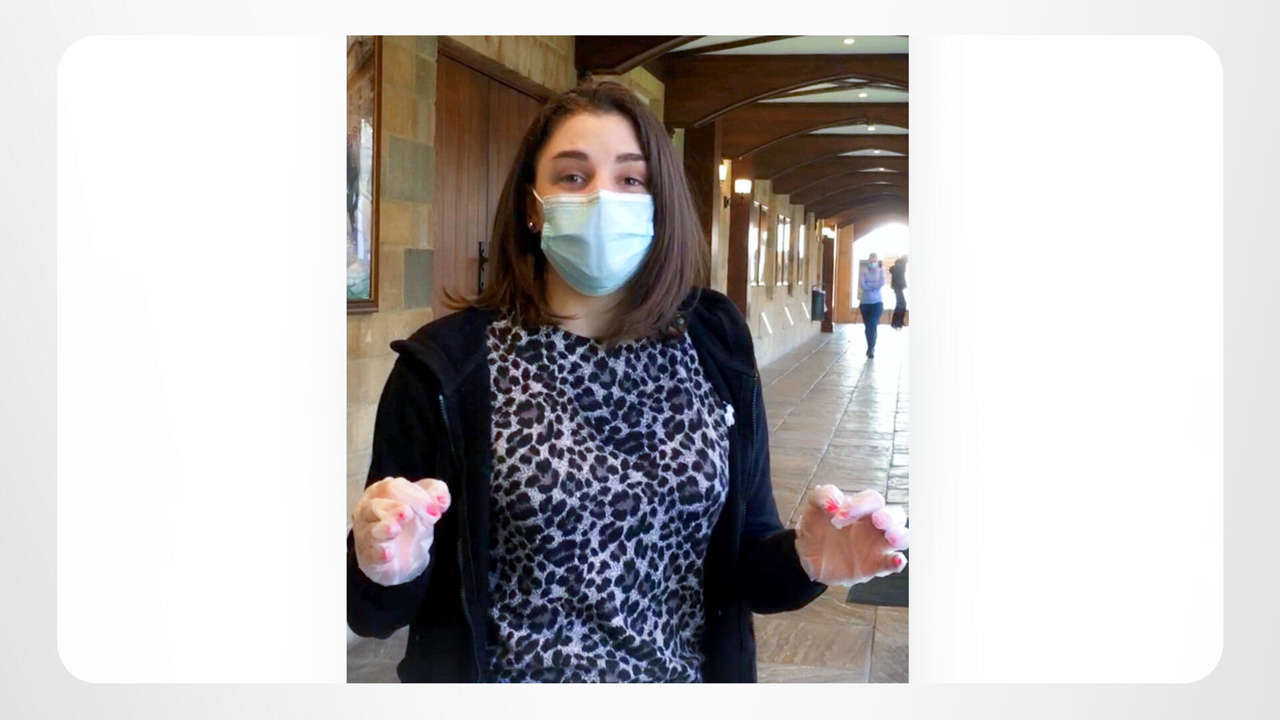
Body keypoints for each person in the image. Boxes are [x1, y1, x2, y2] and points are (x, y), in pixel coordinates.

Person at [346, 82, 908, 683]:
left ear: (659, 203)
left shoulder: (713, 340)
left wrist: (808, 560)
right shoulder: (445, 366)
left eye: (631, 179)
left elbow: (748, 560)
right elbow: (372, 610)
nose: (602, 198)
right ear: (532, 206)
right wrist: (383, 568)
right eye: (572, 177)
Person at [859, 253, 886, 357]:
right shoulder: (864, 271)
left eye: (874, 261)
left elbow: (881, 283)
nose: (872, 262)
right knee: (868, 327)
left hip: (877, 303)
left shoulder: (881, 271)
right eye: (871, 261)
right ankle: (870, 346)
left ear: (877, 261)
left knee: (873, 325)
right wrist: (874, 286)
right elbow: (862, 285)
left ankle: (871, 349)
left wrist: (869, 285)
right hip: (865, 303)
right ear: (868, 261)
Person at [890, 255, 908, 329]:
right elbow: (897, 276)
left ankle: (897, 322)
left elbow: (895, 273)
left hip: (897, 287)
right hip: (898, 287)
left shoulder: (899, 264)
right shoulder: (900, 265)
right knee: (902, 304)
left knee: (900, 304)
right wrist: (901, 285)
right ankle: (896, 322)